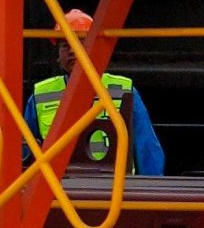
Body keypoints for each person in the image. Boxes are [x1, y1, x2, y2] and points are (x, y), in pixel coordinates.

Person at [27, 12, 164, 178]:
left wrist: (149, 192)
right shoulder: (40, 95)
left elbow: (147, 149)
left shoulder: (124, 90)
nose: (71, 50)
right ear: (57, 56)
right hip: (56, 189)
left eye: (80, 42)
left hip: (112, 189)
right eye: (65, 45)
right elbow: (24, 151)